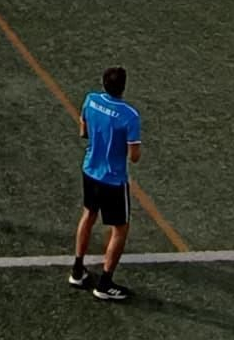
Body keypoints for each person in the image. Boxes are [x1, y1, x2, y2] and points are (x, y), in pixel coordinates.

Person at [69, 65, 142, 302]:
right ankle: (105, 283)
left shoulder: (90, 100)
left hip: (90, 169)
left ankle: (77, 270)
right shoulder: (129, 116)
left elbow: (83, 131)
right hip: (113, 179)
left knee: (88, 215)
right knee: (120, 229)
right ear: (123, 86)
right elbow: (134, 156)